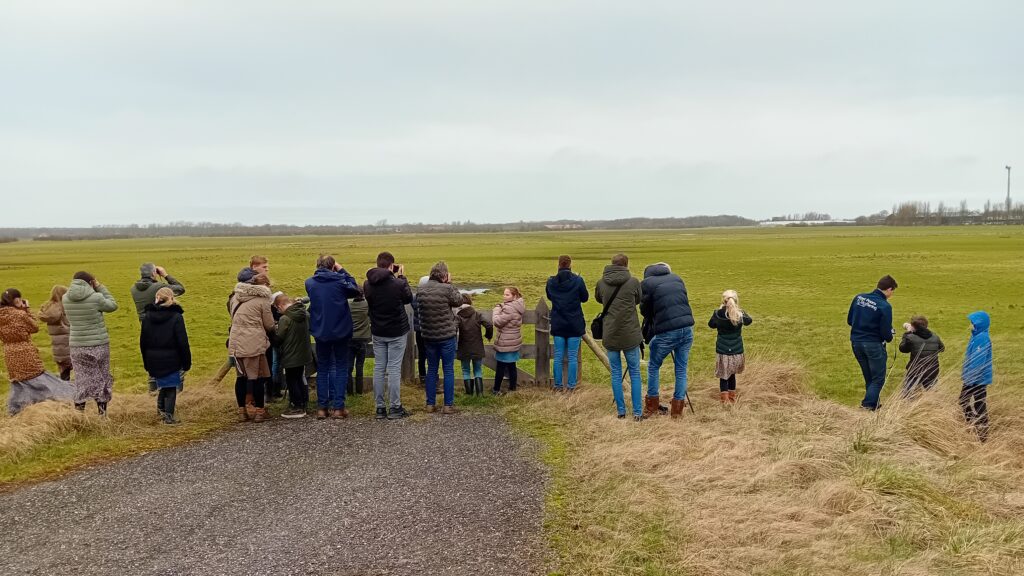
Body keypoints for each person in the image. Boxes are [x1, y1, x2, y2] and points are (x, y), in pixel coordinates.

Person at [304, 254, 361, 420]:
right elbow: (355, 288)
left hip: (320, 330)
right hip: (341, 330)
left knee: (323, 368)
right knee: (340, 367)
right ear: (332, 266)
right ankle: (338, 407)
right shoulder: (340, 282)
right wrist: (341, 269)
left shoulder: (310, 283)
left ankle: (322, 408)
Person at [1, 288, 73, 415]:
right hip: (25, 350)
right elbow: (34, 327)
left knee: (19, 381)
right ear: (16, 300)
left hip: (9, 351)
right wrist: (26, 310)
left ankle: (17, 407)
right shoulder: (20, 314)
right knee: (38, 379)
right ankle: (58, 397)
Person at [640, 262, 694, 418]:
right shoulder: (677, 278)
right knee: (681, 369)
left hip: (666, 331)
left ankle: (652, 406)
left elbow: (645, 310)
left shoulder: (647, 283)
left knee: (654, 366)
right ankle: (677, 410)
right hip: (687, 328)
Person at [363, 251, 414, 420]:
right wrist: (402, 277)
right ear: (392, 265)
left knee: (379, 368)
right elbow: (408, 299)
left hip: (378, 330)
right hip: (396, 331)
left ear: (377, 264)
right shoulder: (397, 284)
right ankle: (395, 407)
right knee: (393, 369)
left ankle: (379, 408)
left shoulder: (367, 284)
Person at [595, 254, 644, 421]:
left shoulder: (601, 283)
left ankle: (621, 411)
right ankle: (637, 412)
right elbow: (638, 299)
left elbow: (598, 298)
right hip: (630, 333)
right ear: (626, 265)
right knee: (635, 373)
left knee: (615, 373)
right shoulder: (634, 282)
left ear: (612, 264)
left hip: (610, 332)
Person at [63, 271, 118, 415]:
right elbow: (113, 305)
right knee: (101, 377)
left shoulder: (65, 298)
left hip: (76, 344)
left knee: (81, 380)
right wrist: (100, 286)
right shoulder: (96, 297)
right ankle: (102, 415)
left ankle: (79, 414)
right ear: (90, 282)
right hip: (98, 343)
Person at [416, 261, 463, 413]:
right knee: (448, 369)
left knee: (432, 369)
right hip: (446, 335)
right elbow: (459, 301)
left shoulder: (421, 290)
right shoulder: (447, 288)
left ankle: (430, 404)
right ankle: (448, 405)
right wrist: (450, 283)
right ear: (444, 275)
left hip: (429, 336)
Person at [131, 263, 186, 393]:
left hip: (146, 326)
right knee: (171, 357)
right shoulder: (158, 287)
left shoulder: (134, 288)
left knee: (153, 358)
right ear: (153, 273)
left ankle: (153, 390)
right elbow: (180, 289)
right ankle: (173, 391)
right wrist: (165, 275)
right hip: (163, 325)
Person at [140, 288, 192, 424]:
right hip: (171, 358)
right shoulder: (176, 317)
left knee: (162, 386)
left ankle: (161, 413)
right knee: (171, 388)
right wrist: (186, 362)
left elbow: (143, 342)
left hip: (153, 358)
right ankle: (168, 416)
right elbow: (182, 341)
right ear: (171, 298)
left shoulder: (147, 317)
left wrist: (146, 361)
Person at [228, 273, 275, 423]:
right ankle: (259, 411)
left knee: (240, 377)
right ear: (265, 286)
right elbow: (269, 324)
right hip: (253, 342)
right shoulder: (262, 300)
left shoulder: (236, 297)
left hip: (236, 342)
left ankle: (242, 411)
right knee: (257, 378)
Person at [848, 275, 897, 411]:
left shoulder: (859, 298)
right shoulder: (885, 306)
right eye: (892, 292)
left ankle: (874, 404)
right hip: (873, 345)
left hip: (856, 342)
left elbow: (850, 321)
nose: (891, 295)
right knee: (878, 379)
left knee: (869, 376)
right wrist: (890, 335)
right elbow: (886, 334)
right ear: (889, 289)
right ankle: (867, 406)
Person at [546, 255, 589, 392]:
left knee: (558, 357)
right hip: (574, 323)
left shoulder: (551, 282)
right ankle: (571, 386)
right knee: (572, 357)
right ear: (570, 265)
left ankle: (558, 386)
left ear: (558, 265)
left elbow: (549, 296)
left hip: (558, 322)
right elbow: (585, 298)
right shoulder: (578, 280)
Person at [708, 290, 753, 405]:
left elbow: (711, 325)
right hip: (737, 350)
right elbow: (749, 321)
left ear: (723, 300)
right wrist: (738, 310)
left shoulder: (718, 314)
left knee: (724, 375)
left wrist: (720, 310)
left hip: (723, 350)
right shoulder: (739, 314)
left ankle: (724, 399)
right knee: (732, 374)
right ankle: (732, 398)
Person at [274, 293, 313, 418]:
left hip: (291, 354)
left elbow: (279, 338)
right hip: (303, 352)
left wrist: (271, 333)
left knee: (292, 379)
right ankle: (303, 403)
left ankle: (297, 406)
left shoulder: (285, 319)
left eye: (278, 309)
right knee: (300, 377)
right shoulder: (305, 314)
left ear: (280, 306)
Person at [960, 311, 993, 442]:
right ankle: (977, 427)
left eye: (973, 322)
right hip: (974, 378)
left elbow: (978, 361)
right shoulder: (977, 336)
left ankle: (981, 431)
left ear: (979, 323)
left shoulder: (981, 338)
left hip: (976, 379)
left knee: (972, 403)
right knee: (975, 403)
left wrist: (970, 380)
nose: (971, 325)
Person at [898, 315, 945, 397]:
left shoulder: (910, 337)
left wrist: (907, 333)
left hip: (915, 370)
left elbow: (902, 349)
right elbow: (942, 349)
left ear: (913, 327)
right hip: (932, 370)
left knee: (908, 394)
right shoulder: (935, 337)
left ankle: (908, 406)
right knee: (933, 394)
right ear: (926, 325)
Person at [456, 293, 492, 396]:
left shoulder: (458, 316)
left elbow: (453, 328)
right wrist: (488, 336)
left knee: (466, 369)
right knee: (478, 369)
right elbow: (489, 325)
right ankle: (480, 393)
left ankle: (469, 393)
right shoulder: (477, 314)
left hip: (464, 347)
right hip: (477, 346)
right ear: (470, 302)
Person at [492, 287, 526, 395]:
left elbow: (497, 321)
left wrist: (497, 309)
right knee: (512, 366)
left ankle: (496, 389)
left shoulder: (509, 308)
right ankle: (512, 388)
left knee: (500, 367)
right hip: (514, 340)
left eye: (507, 295)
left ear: (514, 296)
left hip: (505, 341)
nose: (504, 296)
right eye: (504, 294)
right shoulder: (518, 306)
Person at [38, 285, 73, 381]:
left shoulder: (49, 308)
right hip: (68, 340)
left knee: (63, 367)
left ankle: (64, 388)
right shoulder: (64, 307)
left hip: (57, 344)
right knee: (74, 364)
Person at [348, 295, 370, 396]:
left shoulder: (348, 305)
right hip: (362, 339)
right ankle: (359, 391)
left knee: (349, 367)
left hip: (350, 338)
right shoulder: (367, 305)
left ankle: (349, 391)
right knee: (360, 365)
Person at [411, 276, 430, 385]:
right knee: (431, 354)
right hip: (429, 330)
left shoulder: (415, 298)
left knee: (422, 354)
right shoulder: (430, 298)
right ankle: (432, 377)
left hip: (419, 330)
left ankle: (422, 376)